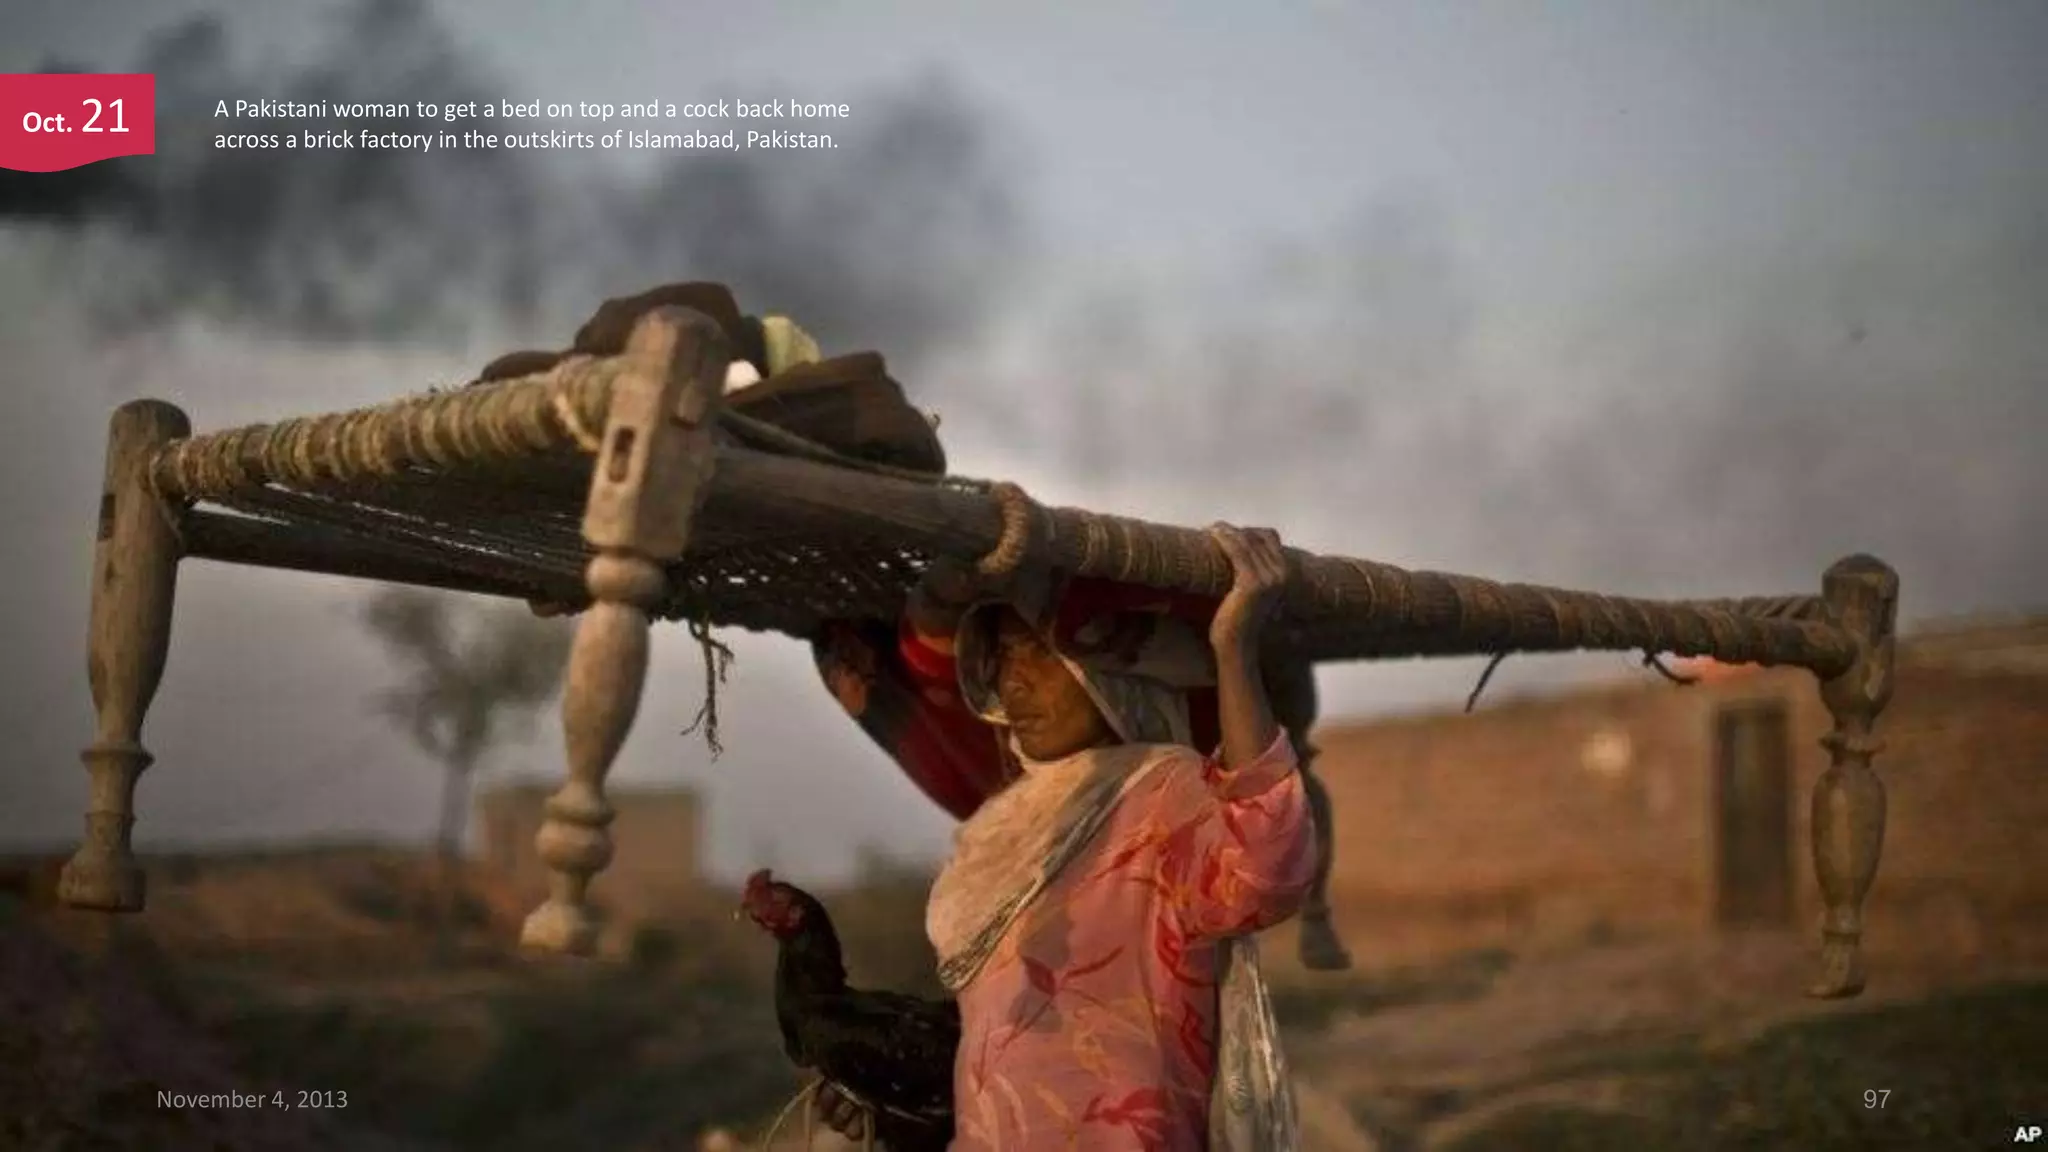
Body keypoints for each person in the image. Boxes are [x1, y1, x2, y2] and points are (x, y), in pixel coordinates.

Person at [816, 525, 1318, 1150]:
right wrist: (890, 1101)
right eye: (1001, 656)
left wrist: (1233, 651)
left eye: (1037, 652)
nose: (1013, 680)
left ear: (1111, 670)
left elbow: (1266, 869)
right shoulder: (1000, 826)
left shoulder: (1161, 791)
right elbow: (996, 1038)